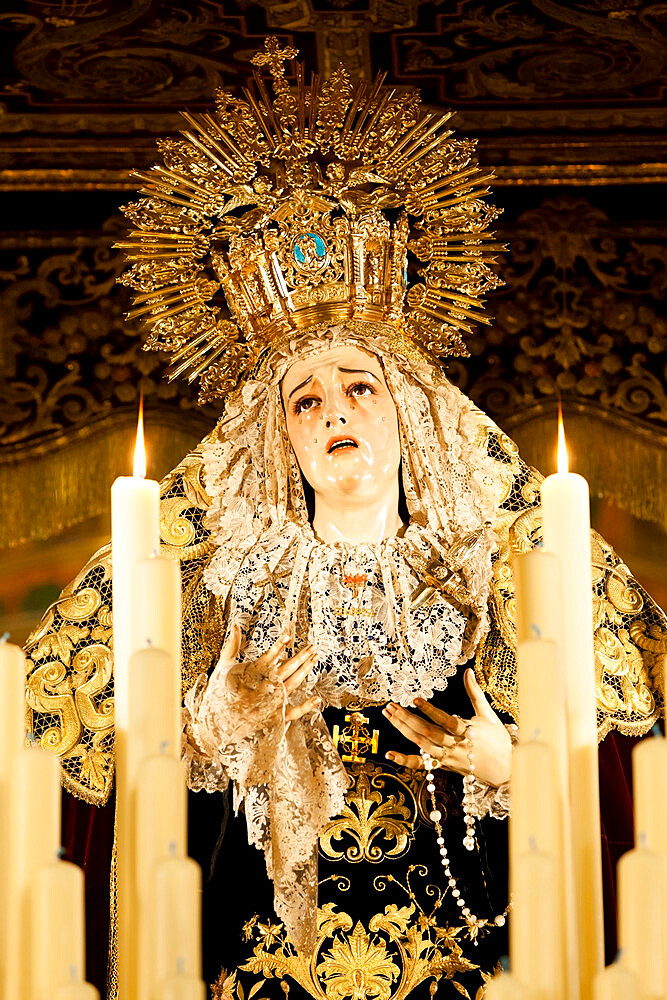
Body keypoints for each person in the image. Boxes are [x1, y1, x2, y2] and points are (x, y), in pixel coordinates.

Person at [24, 37, 665, 1000]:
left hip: (487, 965)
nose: (332, 412)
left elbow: (629, 788)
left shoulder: (519, 568)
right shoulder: (207, 578)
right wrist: (211, 726)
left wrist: (520, 763)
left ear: (409, 410)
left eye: (358, 387)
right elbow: (102, 787)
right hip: (255, 967)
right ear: (274, 435)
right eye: (304, 399)